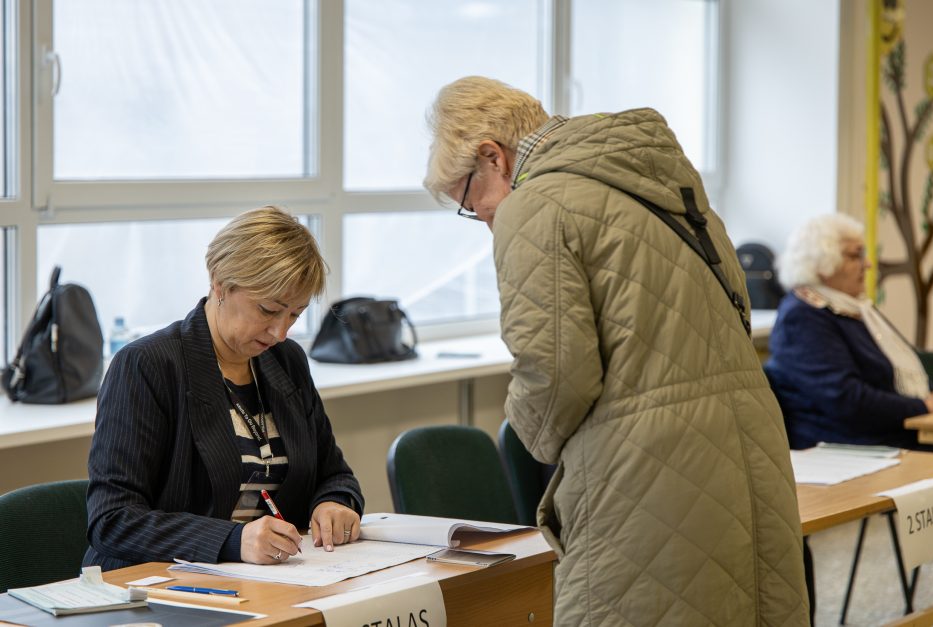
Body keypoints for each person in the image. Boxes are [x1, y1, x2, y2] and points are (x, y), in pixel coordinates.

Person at [424, 76, 809, 626]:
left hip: (647, 477)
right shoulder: (666, 181)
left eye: (467, 200)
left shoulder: (534, 206)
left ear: (492, 158)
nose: (481, 217)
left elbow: (555, 375)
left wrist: (530, 436)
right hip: (753, 455)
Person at [84, 206, 364, 571]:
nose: (280, 333)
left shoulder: (286, 361)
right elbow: (113, 519)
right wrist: (232, 540)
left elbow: (334, 474)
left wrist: (335, 502)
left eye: (294, 314)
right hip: (158, 585)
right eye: (267, 310)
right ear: (220, 284)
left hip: (272, 581)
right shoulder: (148, 365)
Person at [764, 213, 933, 450]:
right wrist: (924, 406)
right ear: (823, 265)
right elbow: (847, 400)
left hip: (889, 432)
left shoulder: (855, 308)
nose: (867, 264)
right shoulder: (803, 316)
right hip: (849, 444)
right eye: (856, 255)